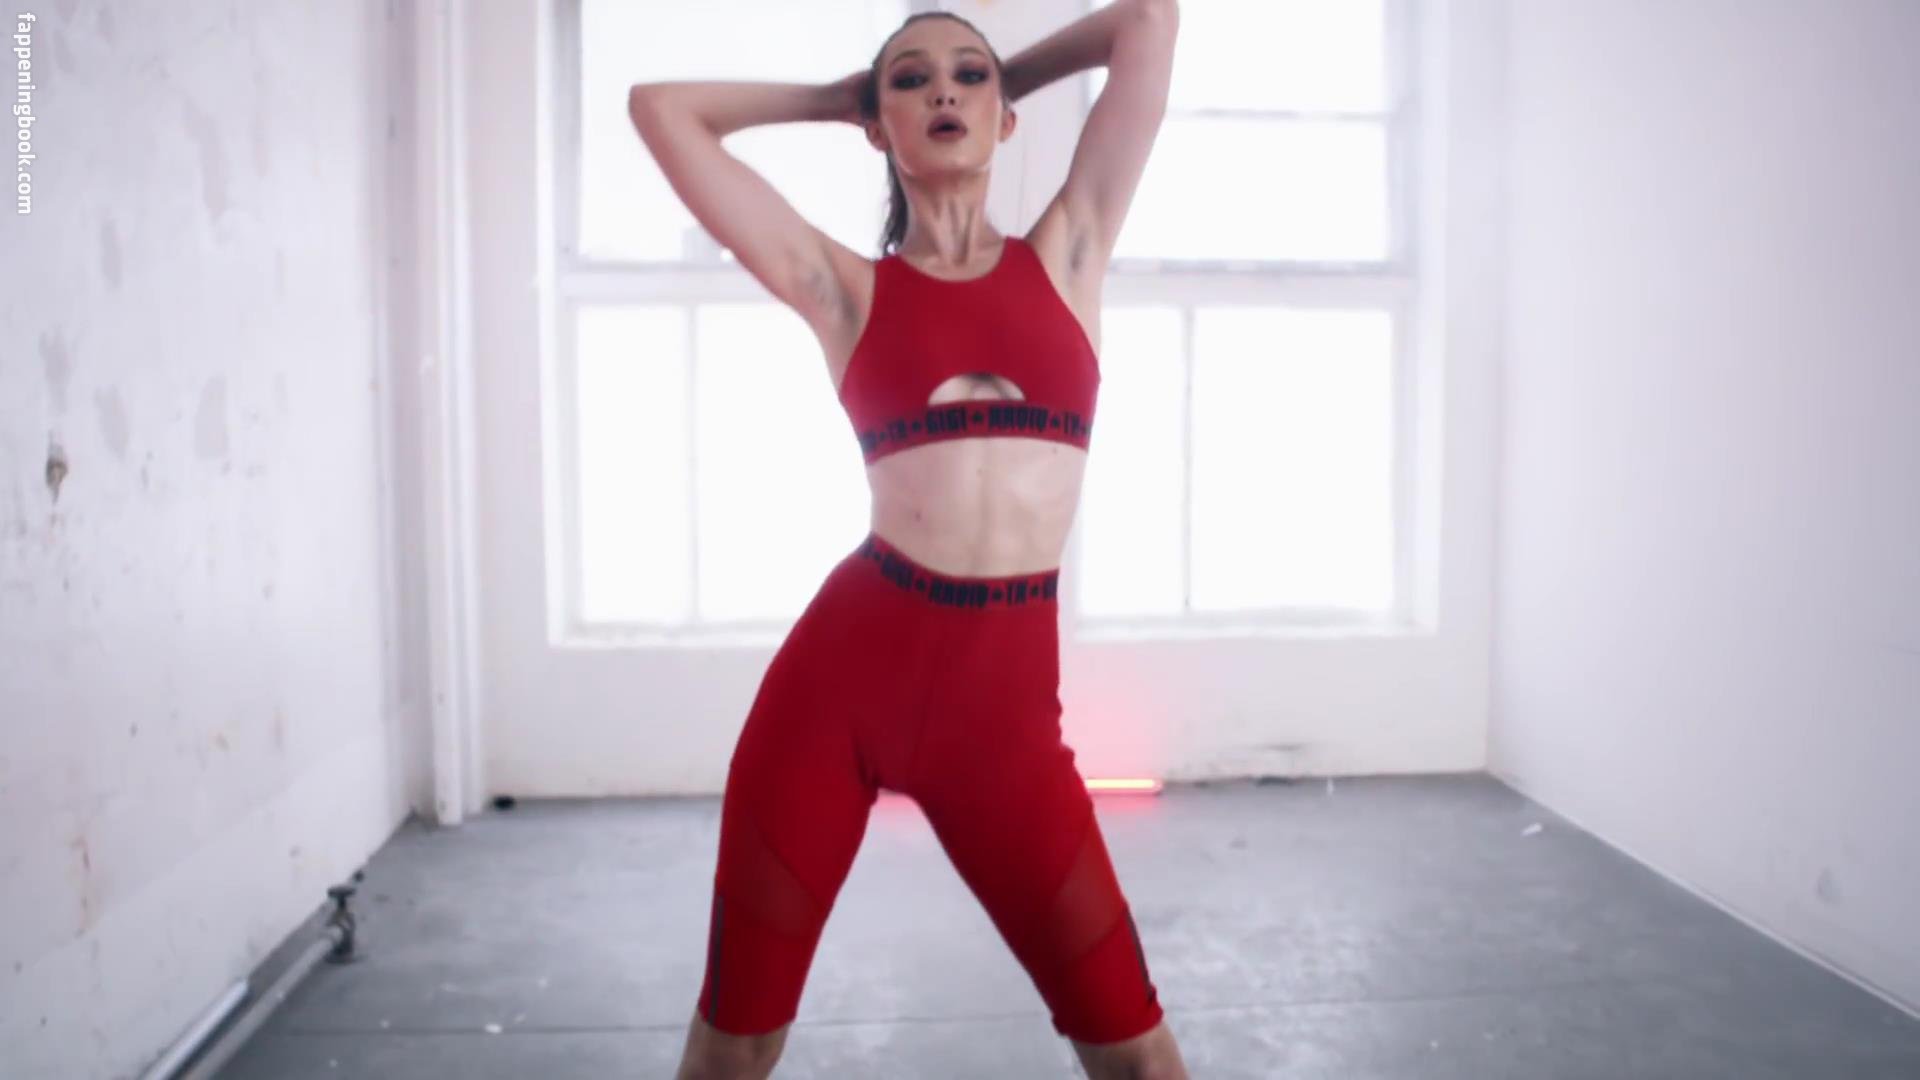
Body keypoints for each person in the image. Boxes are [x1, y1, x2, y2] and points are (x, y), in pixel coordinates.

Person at [627, 3, 1184, 1077]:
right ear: (878, 125)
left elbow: (1148, 19)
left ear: (1004, 117)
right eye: (912, 80)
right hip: (841, 687)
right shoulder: (844, 290)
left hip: (1005, 716)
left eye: (968, 77)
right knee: (738, 1045)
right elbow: (662, 110)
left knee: (1138, 1056)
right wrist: (836, 100)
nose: (944, 92)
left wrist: (1004, 75)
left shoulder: (1070, 251)